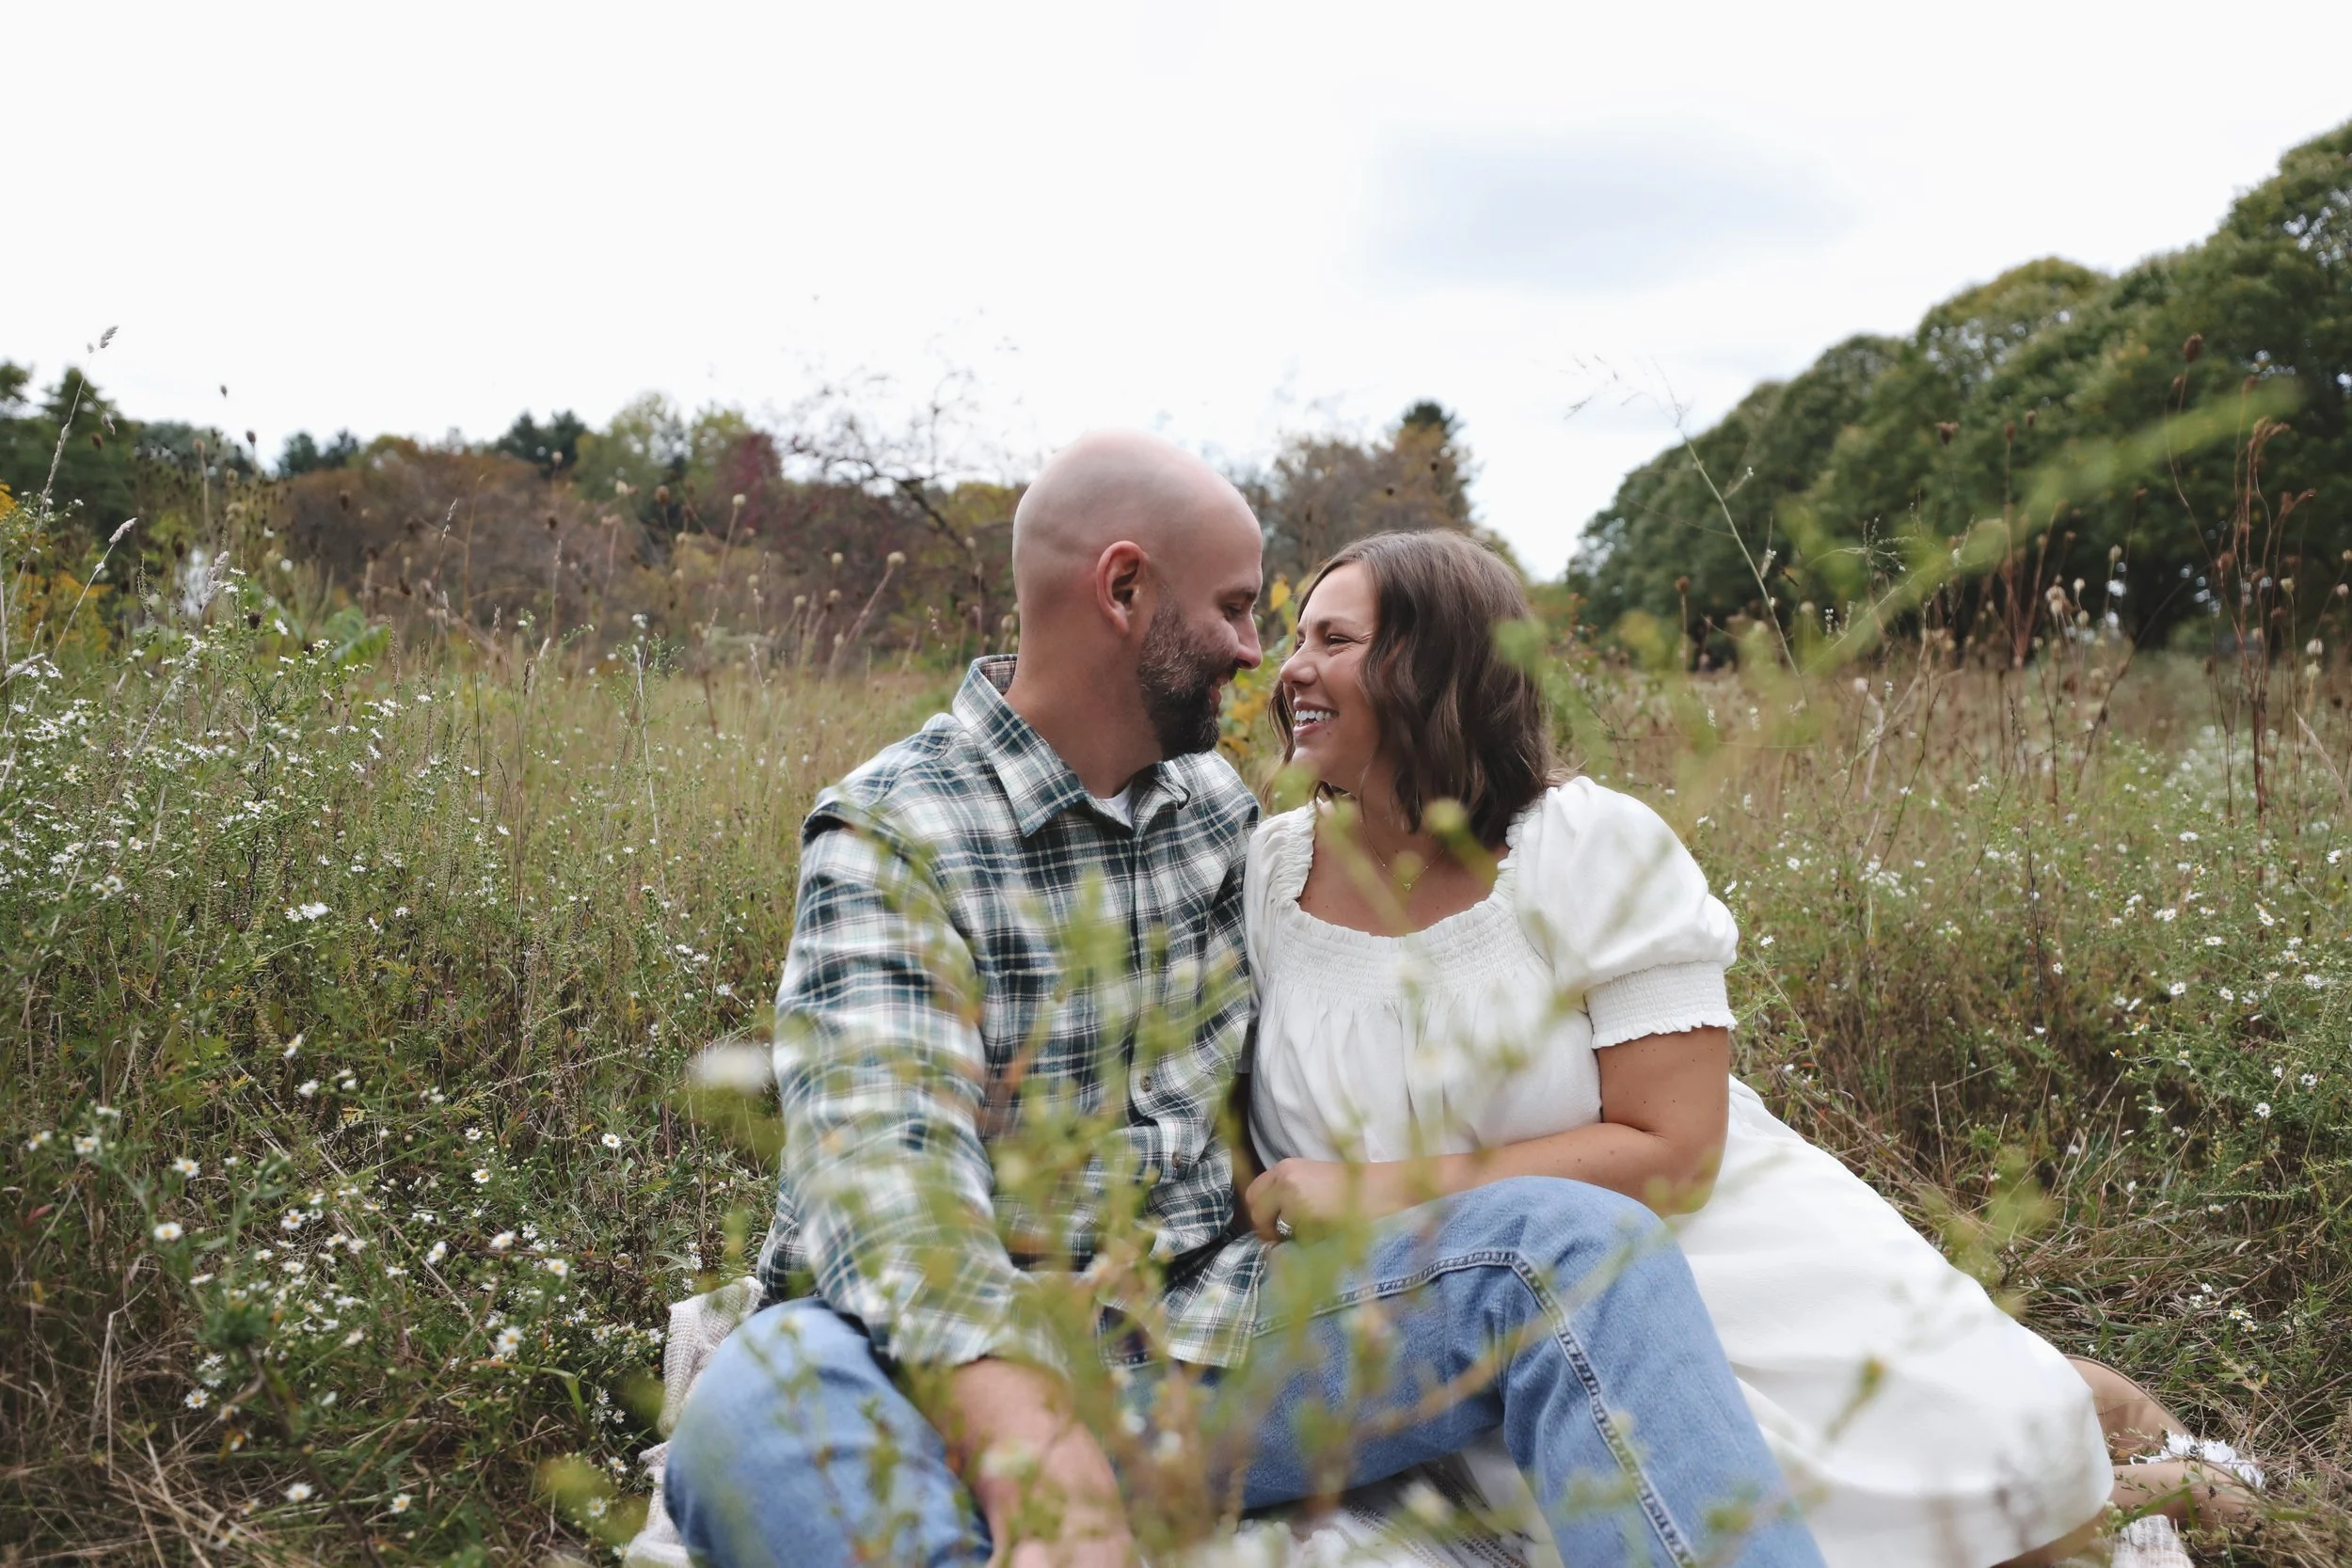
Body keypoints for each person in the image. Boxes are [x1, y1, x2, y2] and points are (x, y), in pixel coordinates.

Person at [662, 433, 1825, 1568]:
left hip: (1211, 1340)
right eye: (1233, 609)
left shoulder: (1220, 815)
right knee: (748, 1416)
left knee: (1580, 1242)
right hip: (941, 1370)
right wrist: (1031, 1443)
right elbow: (885, 1174)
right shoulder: (893, 832)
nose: (1253, 653)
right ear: (1123, 589)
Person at [1240, 529, 2263, 1568]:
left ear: (1437, 663)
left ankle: (2171, 1476)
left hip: (1696, 1257)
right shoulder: (1268, 872)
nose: (1292, 667)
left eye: (1335, 638)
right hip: (1467, 1323)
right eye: (1295, 636)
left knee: (1986, 1484)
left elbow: (1673, 1151)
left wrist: (1379, 1190)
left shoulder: (1588, 847)